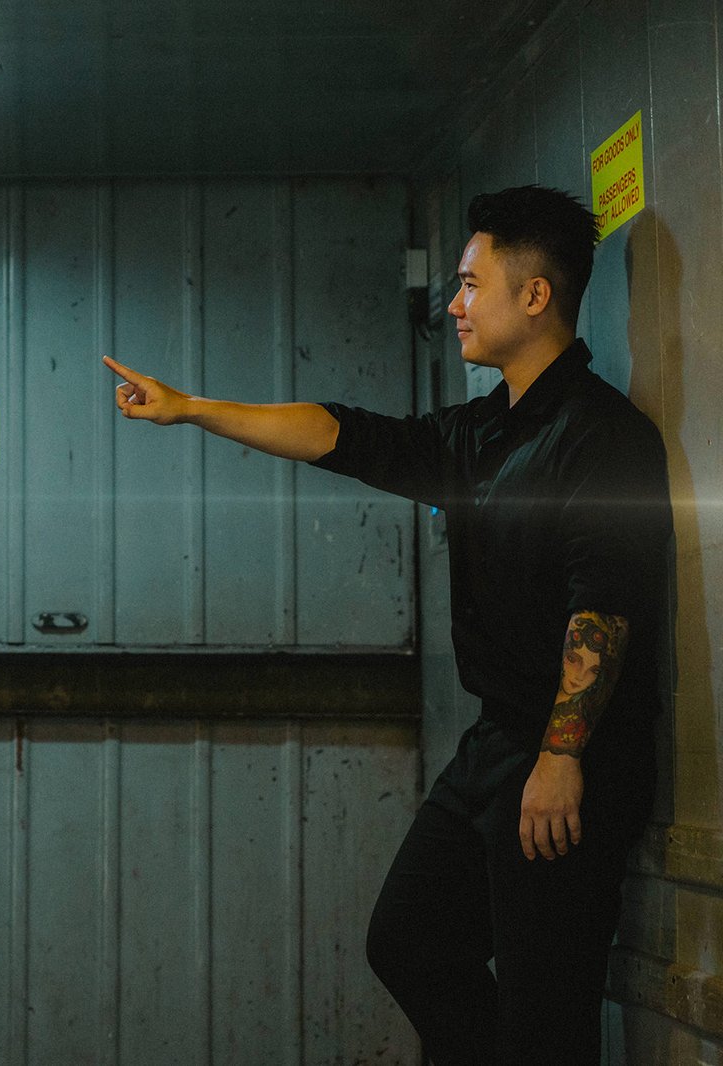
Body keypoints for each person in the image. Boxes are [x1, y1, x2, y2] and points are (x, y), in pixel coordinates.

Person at [104, 185, 672, 1065]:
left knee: (547, 1015)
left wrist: (563, 757)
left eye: (471, 284)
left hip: (571, 757)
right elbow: (346, 436)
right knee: (409, 940)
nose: (455, 305)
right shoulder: (480, 432)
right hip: (498, 746)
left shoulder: (604, 436)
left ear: (534, 295)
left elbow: (602, 608)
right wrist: (191, 409)